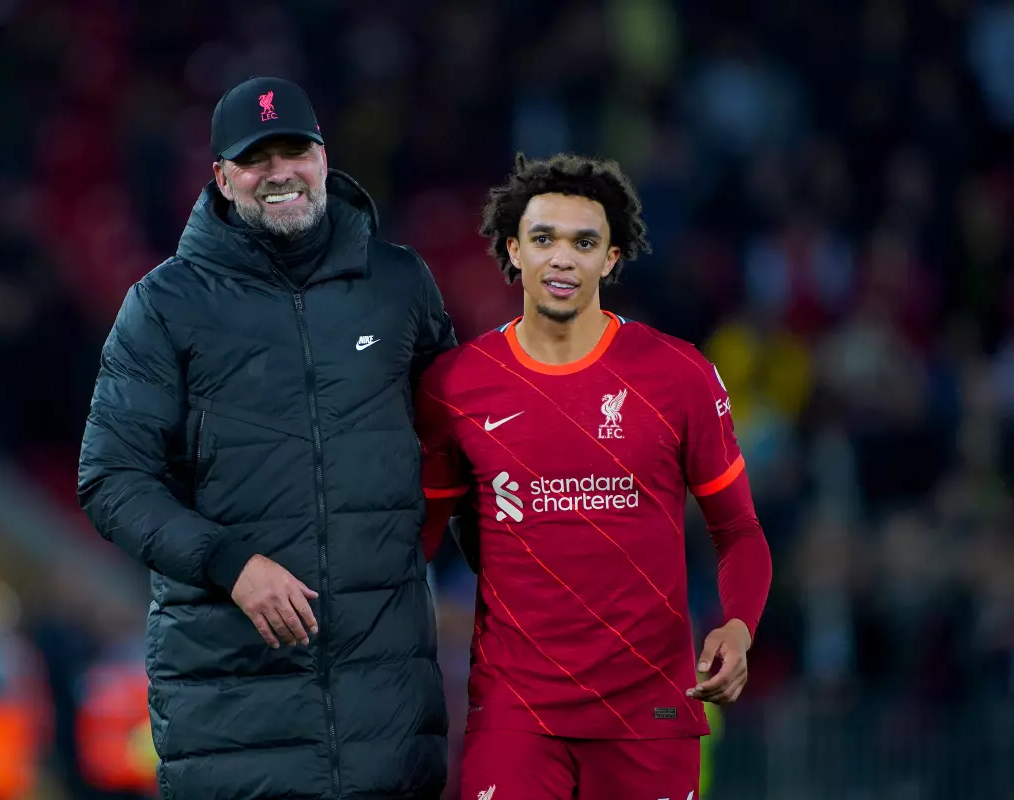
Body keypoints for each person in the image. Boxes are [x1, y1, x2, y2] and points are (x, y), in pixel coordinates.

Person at [78, 77, 454, 799]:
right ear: (222, 178)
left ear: (323, 158)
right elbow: (110, 480)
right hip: (231, 717)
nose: (279, 172)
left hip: (388, 718)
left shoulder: (400, 285)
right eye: (255, 159)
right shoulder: (164, 305)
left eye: (294, 151)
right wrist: (231, 564)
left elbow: (460, 451)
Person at [414, 153, 773, 799]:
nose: (562, 258)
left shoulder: (679, 375)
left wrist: (738, 627)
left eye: (584, 242)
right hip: (517, 715)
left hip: (649, 715)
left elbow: (739, 531)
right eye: (543, 238)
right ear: (513, 250)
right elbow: (417, 540)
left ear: (611, 258)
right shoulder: (456, 386)